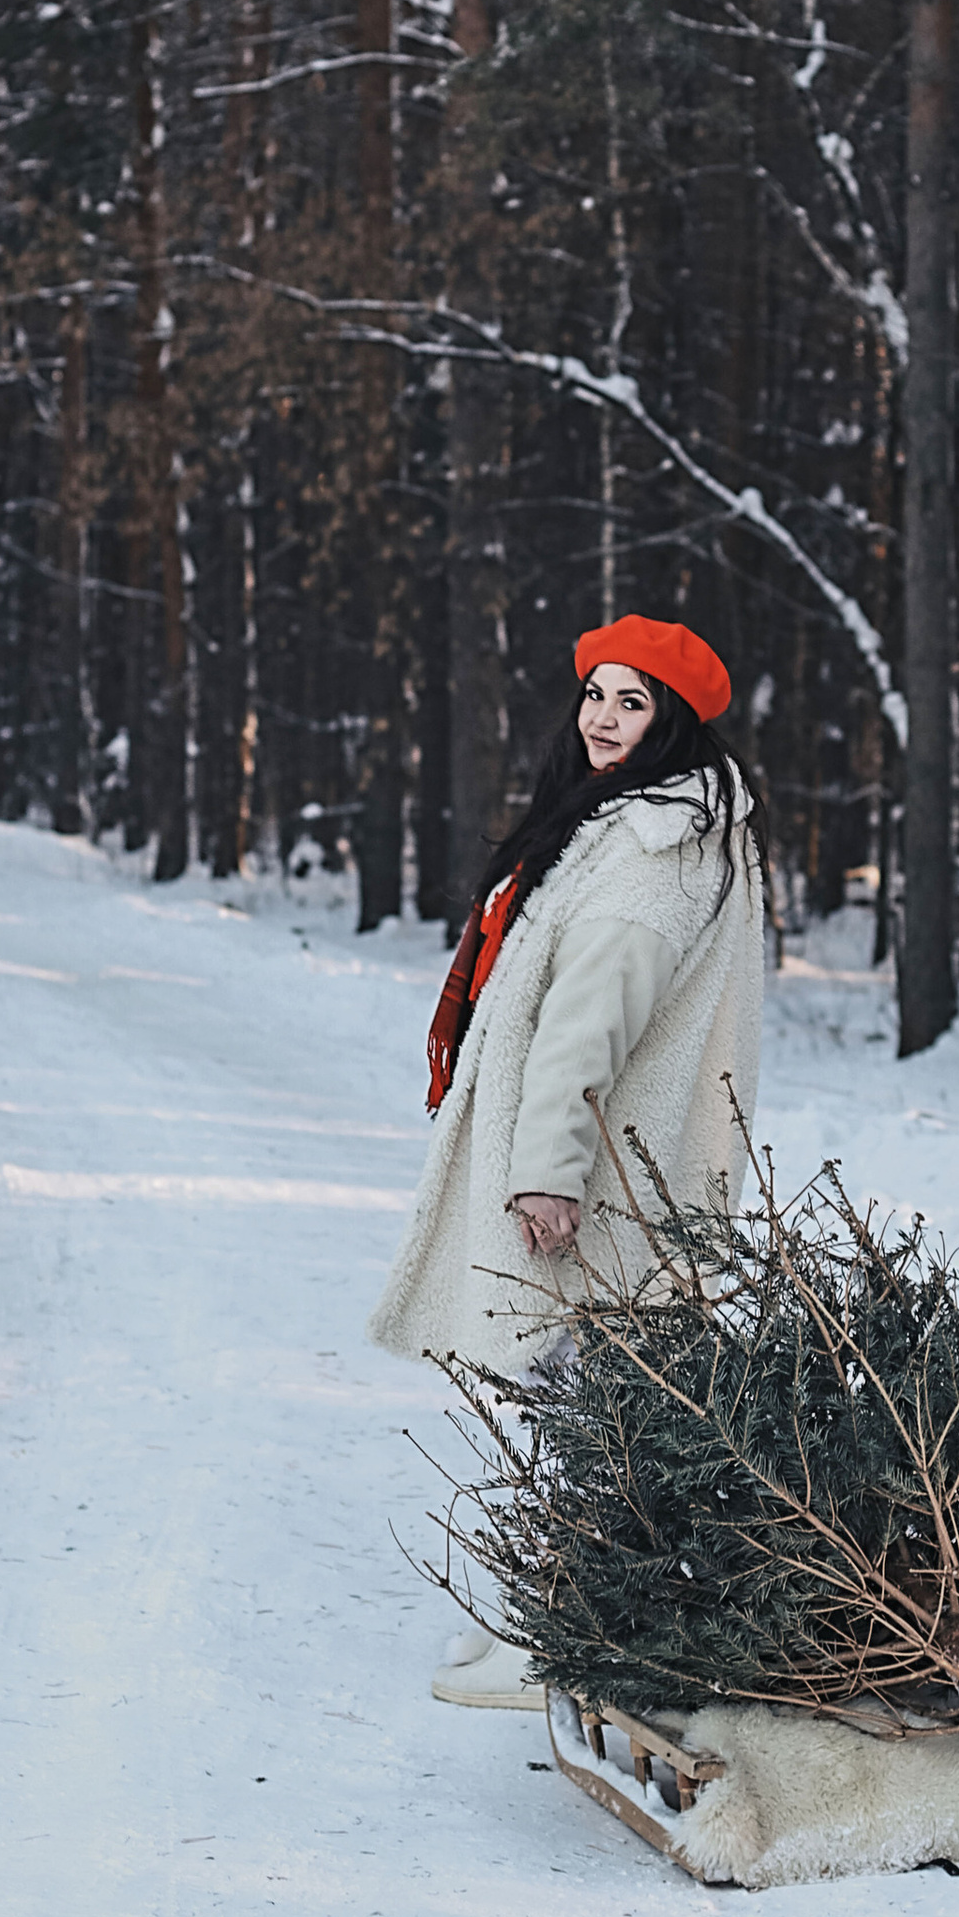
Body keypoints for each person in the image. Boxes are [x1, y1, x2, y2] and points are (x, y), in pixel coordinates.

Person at [368, 614, 770, 1707]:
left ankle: (564, 1641)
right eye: (596, 693)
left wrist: (547, 1169)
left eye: (633, 703)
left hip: (595, 1171)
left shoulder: (654, 854)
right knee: (572, 1397)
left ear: (672, 722)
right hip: (613, 1159)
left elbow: (587, 1025)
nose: (603, 718)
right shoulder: (639, 820)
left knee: (586, 1406)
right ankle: (541, 1615)